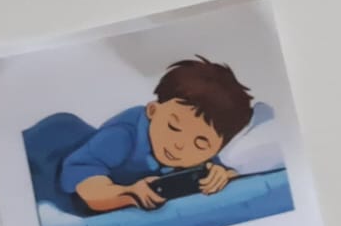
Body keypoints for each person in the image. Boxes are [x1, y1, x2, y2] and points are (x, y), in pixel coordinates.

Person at [58, 57, 254, 213]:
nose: (179, 146)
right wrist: (127, 194)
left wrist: (222, 176)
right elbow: (84, 180)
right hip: (59, 145)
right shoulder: (121, 136)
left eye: (200, 144)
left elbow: (225, 172)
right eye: (173, 127)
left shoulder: (202, 154)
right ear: (153, 111)